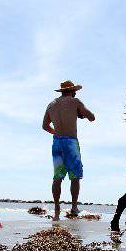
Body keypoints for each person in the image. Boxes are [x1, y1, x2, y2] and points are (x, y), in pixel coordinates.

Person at [42, 79, 95, 220]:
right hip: (71, 142)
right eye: (75, 91)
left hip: (57, 142)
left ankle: (57, 209)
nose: (76, 92)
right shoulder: (75, 101)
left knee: (57, 176)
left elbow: (45, 126)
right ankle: (74, 207)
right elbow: (92, 117)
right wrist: (82, 114)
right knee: (75, 176)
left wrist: (57, 132)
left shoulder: (51, 104)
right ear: (72, 91)